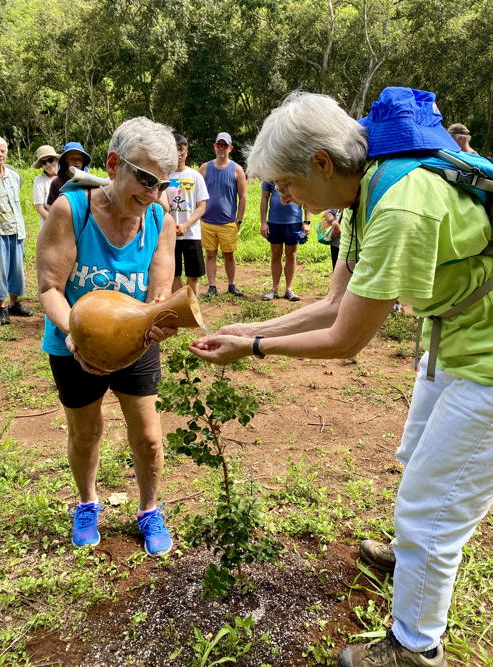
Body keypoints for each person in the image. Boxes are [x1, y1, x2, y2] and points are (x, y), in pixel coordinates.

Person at [190, 88, 492, 667]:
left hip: (488, 357)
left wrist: (253, 347)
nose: (286, 197)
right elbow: (332, 305)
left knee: (433, 506)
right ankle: (412, 559)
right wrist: (255, 325)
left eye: (286, 184)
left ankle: (414, 647)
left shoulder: (402, 204)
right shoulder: (363, 194)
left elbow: (346, 339)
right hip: (453, 337)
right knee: (418, 459)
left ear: (321, 163)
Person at [37, 117, 178, 557]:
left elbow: (159, 295)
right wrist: (75, 335)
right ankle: (86, 503)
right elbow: (50, 289)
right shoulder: (71, 210)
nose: (152, 194)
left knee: (150, 437)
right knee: (86, 433)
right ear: (114, 163)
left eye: (162, 184)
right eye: (145, 179)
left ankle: (150, 509)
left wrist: (159, 321)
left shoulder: (158, 219)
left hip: (136, 345)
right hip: (72, 343)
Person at [199, 132, 247, 297]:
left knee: (229, 255)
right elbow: (197, 194)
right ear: (214, 146)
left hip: (227, 221)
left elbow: (243, 197)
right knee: (210, 254)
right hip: (207, 220)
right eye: (219, 145)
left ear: (230, 148)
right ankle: (212, 286)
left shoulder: (237, 169)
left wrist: (238, 220)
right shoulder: (204, 168)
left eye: (224, 145)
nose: (221, 148)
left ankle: (231, 285)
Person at [0, 133, 33, 325]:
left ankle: (14, 304)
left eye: (2, 151)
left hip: (15, 228)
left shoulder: (14, 176)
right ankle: (0, 308)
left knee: (17, 269)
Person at [167, 134, 209, 296]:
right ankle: (179, 309)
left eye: (182, 150)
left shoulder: (196, 176)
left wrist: (185, 224)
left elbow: (202, 206)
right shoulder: (165, 176)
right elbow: (159, 204)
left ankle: (192, 310)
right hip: (170, 234)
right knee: (174, 274)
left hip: (192, 234)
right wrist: (171, 225)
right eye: (175, 150)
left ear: (187, 152)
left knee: (193, 275)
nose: (179, 154)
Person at [260, 181, 311, 301]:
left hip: (294, 222)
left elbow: (306, 199)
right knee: (276, 254)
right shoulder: (269, 176)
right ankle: (274, 289)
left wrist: (307, 221)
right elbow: (264, 198)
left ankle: (289, 289)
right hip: (274, 222)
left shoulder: (296, 175)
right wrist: (263, 222)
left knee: (291, 254)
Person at [46, 141, 91, 207]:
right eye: (73, 158)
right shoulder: (56, 183)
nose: (77, 161)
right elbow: (51, 208)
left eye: (80, 159)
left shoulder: (88, 182)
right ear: (66, 161)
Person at [32, 145, 59, 226]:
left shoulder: (66, 176)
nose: (48, 164)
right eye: (44, 162)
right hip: (50, 225)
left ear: (56, 160)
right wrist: (55, 224)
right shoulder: (39, 181)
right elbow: (40, 208)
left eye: (50, 160)